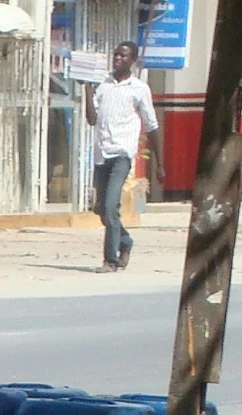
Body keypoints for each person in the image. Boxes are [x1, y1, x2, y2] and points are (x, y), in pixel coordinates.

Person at [85, 40, 158, 272]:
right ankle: (125, 241)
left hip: (122, 155)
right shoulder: (103, 85)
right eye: (116, 55)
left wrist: (160, 164)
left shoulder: (139, 89)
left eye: (123, 56)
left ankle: (110, 260)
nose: (118, 59)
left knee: (110, 205)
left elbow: (152, 125)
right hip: (101, 153)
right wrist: (87, 89)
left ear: (132, 61)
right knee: (101, 209)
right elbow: (91, 119)